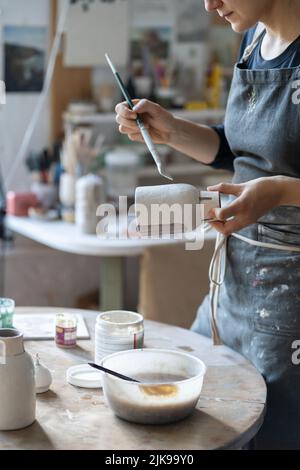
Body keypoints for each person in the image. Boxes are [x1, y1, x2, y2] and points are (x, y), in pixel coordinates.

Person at [115, 0, 300, 449]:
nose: (208, 4)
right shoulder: (253, 38)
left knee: (271, 430)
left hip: (291, 295)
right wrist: (171, 130)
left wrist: (278, 192)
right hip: (236, 277)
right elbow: (239, 150)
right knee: (201, 406)